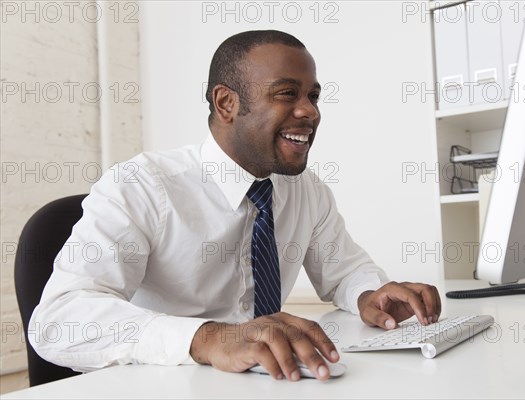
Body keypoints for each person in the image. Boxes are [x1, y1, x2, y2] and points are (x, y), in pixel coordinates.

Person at [30, 30, 441, 382]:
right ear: (226, 103)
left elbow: (344, 271)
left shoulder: (306, 191)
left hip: (267, 381)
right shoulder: (142, 185)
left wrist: (368, 294)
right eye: (287, 94)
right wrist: (208, 338)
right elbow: (58, 320)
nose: (310, 112)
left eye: (313, 96)